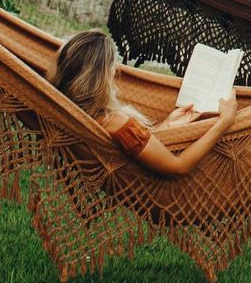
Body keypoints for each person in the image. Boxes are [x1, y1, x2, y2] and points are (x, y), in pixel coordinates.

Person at [50, 29, 237, 177]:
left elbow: (133, 148)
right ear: (101, 75)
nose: (115, 70)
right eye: (112, 66)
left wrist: (168, 125)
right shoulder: (115, 122)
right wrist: (223, 124)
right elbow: (177, 167)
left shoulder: (65, 107)